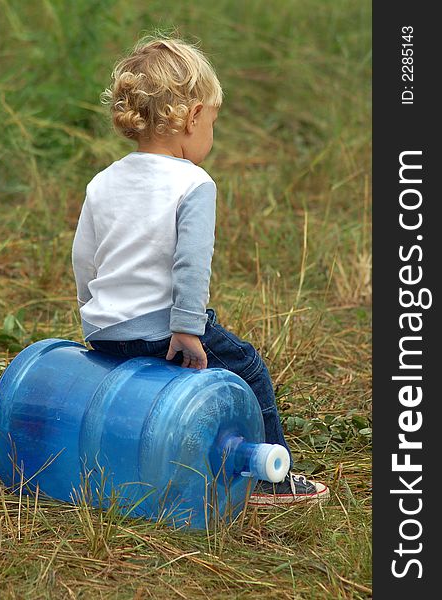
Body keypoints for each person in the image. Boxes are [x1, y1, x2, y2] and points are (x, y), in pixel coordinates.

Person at [72, 35, 329, 505]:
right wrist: (187, 329)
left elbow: (84, 258)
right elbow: (191, 264)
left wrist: (94, 314)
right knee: (247, 364)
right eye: (212, 120)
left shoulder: (102, 181)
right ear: (192, 117)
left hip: (106, 330)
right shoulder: (193, 183)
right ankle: (271, 480)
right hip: (161, 325)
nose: (212, 131)